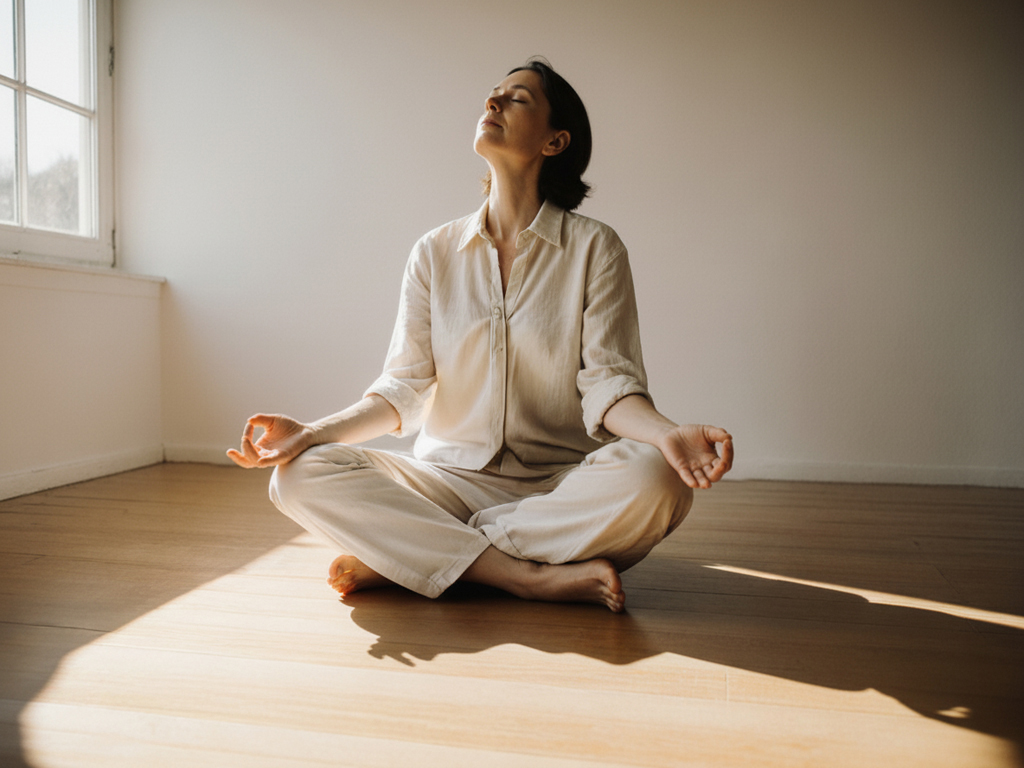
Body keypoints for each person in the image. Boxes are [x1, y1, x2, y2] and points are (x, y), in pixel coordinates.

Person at [228, 58, 733, 613]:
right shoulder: (433, 252)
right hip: (446, 480)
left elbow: (610, 385)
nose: (492, 104)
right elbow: (402, 388)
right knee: (298, 476)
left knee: (660, 476)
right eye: (492, 95)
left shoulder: (597, 249)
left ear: (555, 141)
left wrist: (666, 435)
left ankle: (422, 556)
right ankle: (521, 575)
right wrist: (311, 433)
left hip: (560, 488)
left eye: (517, 99)